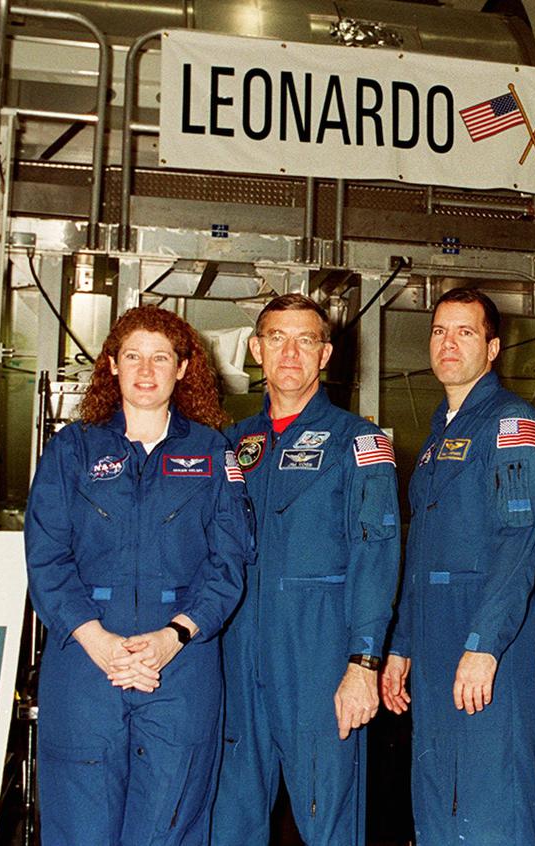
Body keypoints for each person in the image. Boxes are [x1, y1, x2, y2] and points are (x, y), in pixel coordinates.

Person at [25, 305, 249, 846]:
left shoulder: (214, 452)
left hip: (180, 665)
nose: (146, 371)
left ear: (183, 367)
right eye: (132, 357)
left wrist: (176, 635)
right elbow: (46, 558)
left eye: (160, 357)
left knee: (169, 826)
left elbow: (229, 561)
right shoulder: (71, 450)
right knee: (80, 826)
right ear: (110, 366)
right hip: (84, 664)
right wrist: (95, 639)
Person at [212, 293, 401, 846]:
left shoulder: (359, 442)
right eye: (276, 338)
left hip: (318, 656)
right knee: (229, 818)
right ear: (256, 350)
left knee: (328, 817)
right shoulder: (231, 444)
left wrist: (364, 661)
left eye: (305, 340)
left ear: (326, 355)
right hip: (235, 653)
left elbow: (377, 553)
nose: (290, 352)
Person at [380, 287, 535, 845]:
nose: (448, 343)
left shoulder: (512, 424)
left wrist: (484, 644)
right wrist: (401, 645)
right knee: (439, 796)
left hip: (485, 638)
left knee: (491, 795)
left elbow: (519, 543)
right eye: (438, 331)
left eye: (465, 332)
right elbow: (421, 554)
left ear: (494, 347)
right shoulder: (438, 434)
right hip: (433, 643)